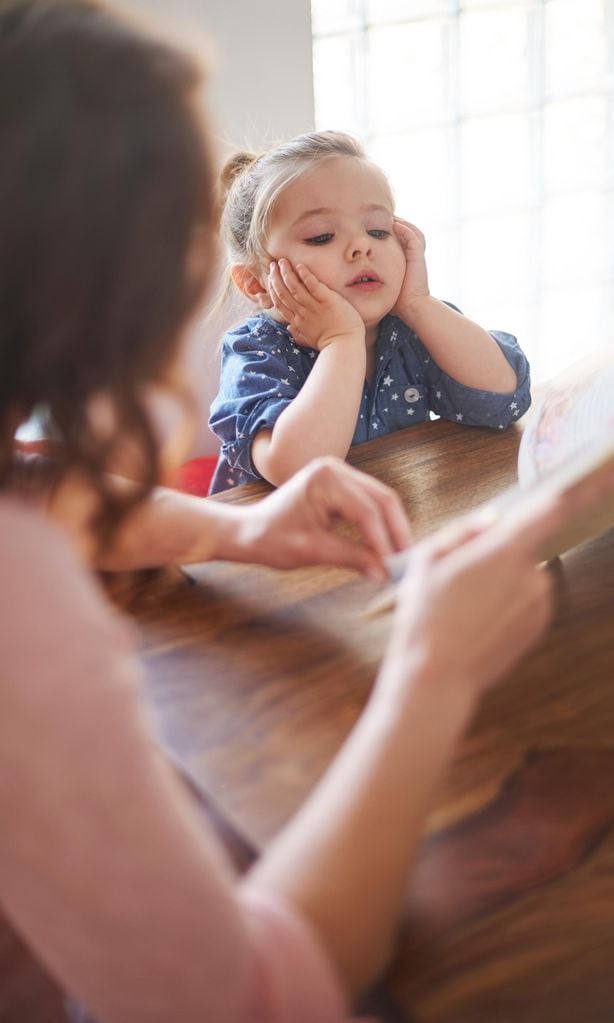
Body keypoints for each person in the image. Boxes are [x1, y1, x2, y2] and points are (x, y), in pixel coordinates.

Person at [2, 4, 613, 1023]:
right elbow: (239, 1001)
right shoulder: (30, 632)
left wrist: (232, 530)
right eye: (163, 280)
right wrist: (429, 677)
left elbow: (43, 489)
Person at [207, 131, 531, 494]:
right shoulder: (255, 353)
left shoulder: (409, 325)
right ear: (256, 283)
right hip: (284, 543)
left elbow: (504, 400)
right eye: (321, 237)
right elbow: (299, 471)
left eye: (378, 230)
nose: (362, 245)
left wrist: (419, 304)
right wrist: (340, 341)